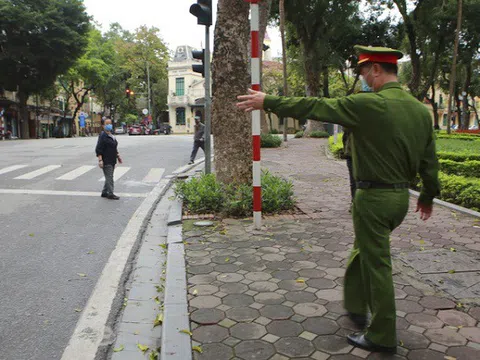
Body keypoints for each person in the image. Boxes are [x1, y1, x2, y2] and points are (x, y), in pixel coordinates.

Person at [237, 45, 440, 354]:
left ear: (374, 69)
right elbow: (429, 161)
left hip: (373, 197)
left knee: (378, 264)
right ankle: (356, 306)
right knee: (366, 248)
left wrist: (269, 101)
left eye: (362, 72)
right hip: (400, 200)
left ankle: (382, 334)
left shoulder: (369, 104)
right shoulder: (418, 111)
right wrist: (427, 195)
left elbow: (316, 106)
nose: (362, 78)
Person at [95, 118, 123, 200]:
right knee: (110, 177)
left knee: (108, 176)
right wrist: (100, 160)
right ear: (103, 125)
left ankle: (104, 192)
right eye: (107, 124)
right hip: (106, 160)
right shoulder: (103, 136)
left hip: (112, 159)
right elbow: (98, 149)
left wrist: (118, 156)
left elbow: (114, 147)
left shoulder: (111, 135)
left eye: (110, 123)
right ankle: (110, 193)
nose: (109, 125)